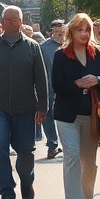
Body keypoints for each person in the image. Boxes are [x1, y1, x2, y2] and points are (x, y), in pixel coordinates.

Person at [0, 6, 48, 199]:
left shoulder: (33, 47)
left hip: (25, 108)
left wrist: (43, 107)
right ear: (2, 22)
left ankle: (26, 180)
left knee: (25, 151)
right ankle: (6, 192)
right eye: (8, 19)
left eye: (16, 20)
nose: (12, 22)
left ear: (21, 22)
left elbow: (41, 79)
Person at [51, 13, 100, 199]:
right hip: (67, 116)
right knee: (71, 155)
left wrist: (96, 80)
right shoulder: (61, 55)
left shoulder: (99, 53)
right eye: (79, 30)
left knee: (88, 161)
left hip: (91, 114)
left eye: (87, 30)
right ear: (71, 31)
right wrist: (77, 84)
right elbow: (57, 86)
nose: (84, 34)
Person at [39, 19, 65, 159]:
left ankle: (68, 144)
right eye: (54, 32)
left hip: (67, 86)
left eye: (60, 32)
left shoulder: (70, 45)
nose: (57, 35)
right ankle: (52, 144)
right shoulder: (44, 47)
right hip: (48, 86)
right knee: (47, 115)